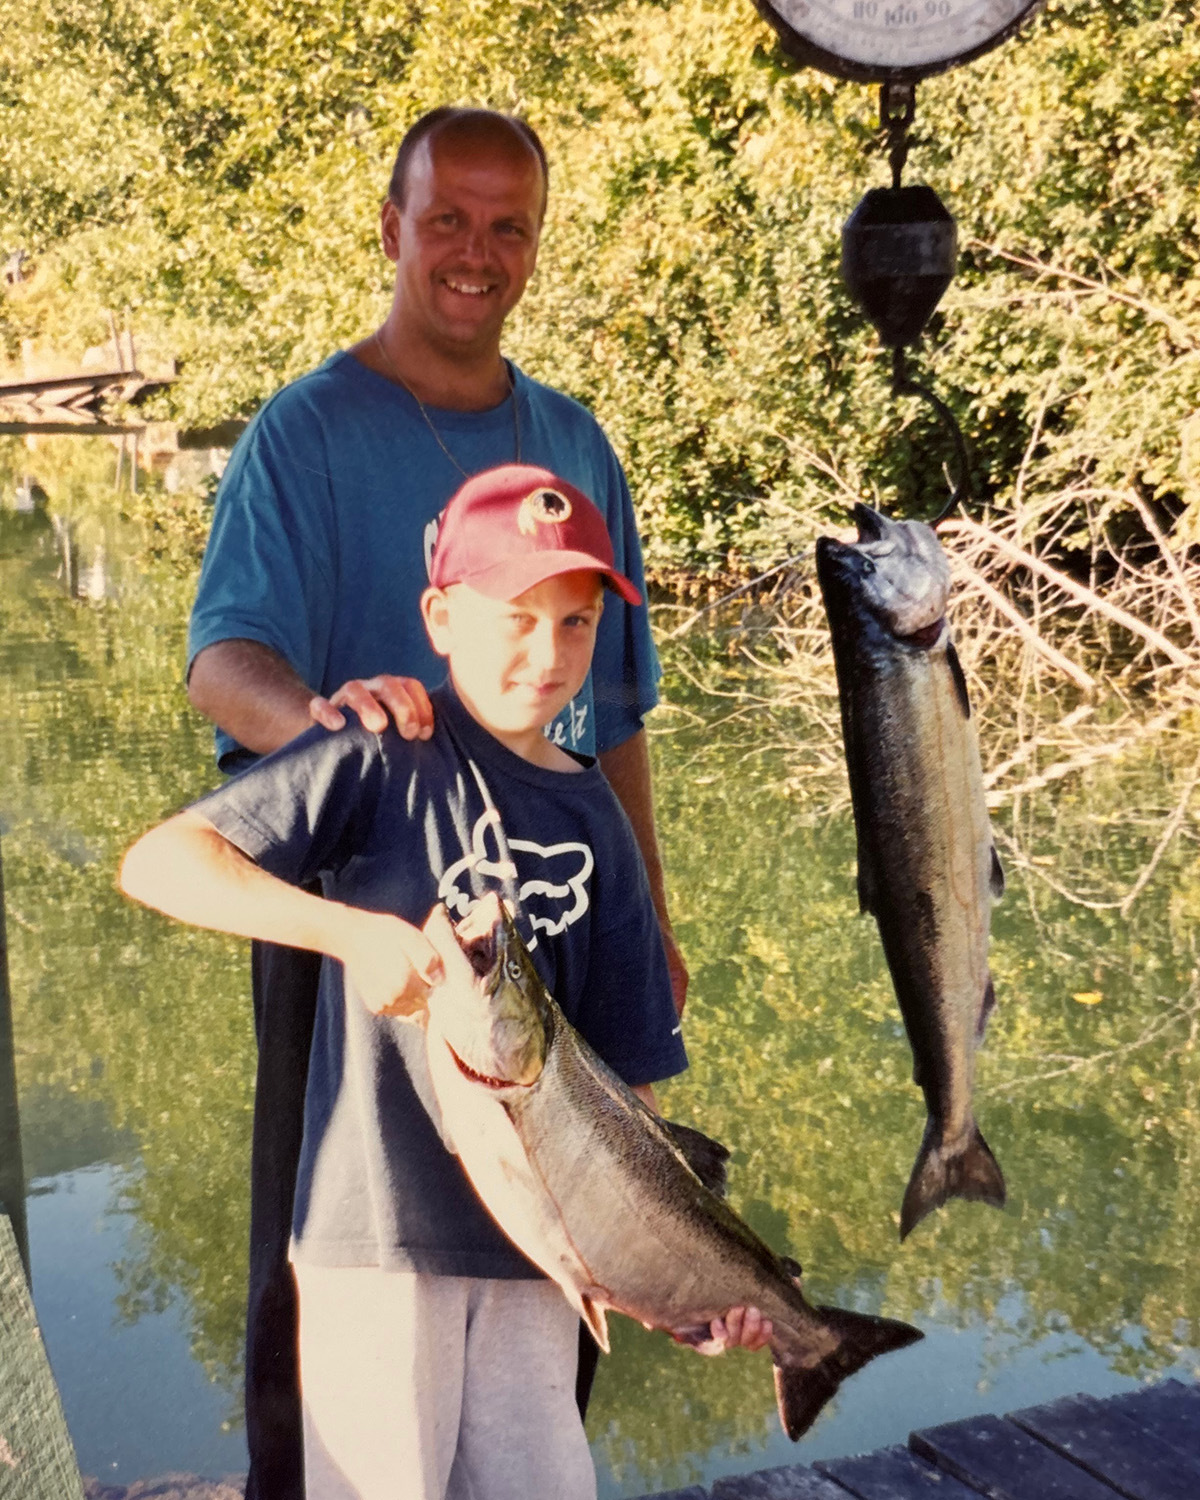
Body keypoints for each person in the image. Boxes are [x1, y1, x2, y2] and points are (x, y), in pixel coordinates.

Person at [185, 107, 688, 1496]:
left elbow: (618, 710)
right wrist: (338, 737)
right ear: (391, 228)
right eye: (447, 219)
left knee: (549, 1273)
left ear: (537, 241)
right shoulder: (306, 431)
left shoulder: (573, 442)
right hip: (361, 931)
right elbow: (220, 659)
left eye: (507, 223)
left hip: (562, 916)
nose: (477, 253)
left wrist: (653, 913)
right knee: (350, 1297)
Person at [124, 467, 768, 1500]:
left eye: (575, 622)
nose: (545, 653)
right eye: (513, 617)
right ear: (438, 616)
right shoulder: (377, 750)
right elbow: (158, 865)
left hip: (538, 1261)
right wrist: (346, 934)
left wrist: (678, 1281)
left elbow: (631, 1095)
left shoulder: (597, 816)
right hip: (373, 1239)